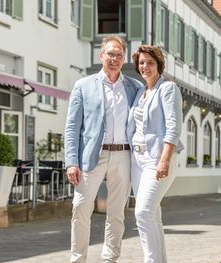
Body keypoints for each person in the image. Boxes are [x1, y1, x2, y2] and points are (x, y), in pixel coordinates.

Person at [65, 35, 141, 263]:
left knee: (116, 213)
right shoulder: (83, 85)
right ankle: (78, 259)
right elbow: (71, 127)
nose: (114, 59)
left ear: (123, 58)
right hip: (91, 157)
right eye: (110, 54)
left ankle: (109, 259)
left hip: (123, 156)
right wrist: (71, 161)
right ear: (101, 56)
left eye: (119, 55)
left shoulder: (134, 87)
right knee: (80, 208)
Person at [127, 45, 184, 263]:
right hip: (137, 161)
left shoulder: (167, 89)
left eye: (150, 62)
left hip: (157, 159)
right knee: (153, 215)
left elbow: (173, 127)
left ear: (158, 65)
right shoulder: (141, 92)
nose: (145, 67)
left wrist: (164, 160)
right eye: (141, 63)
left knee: (142, 213)